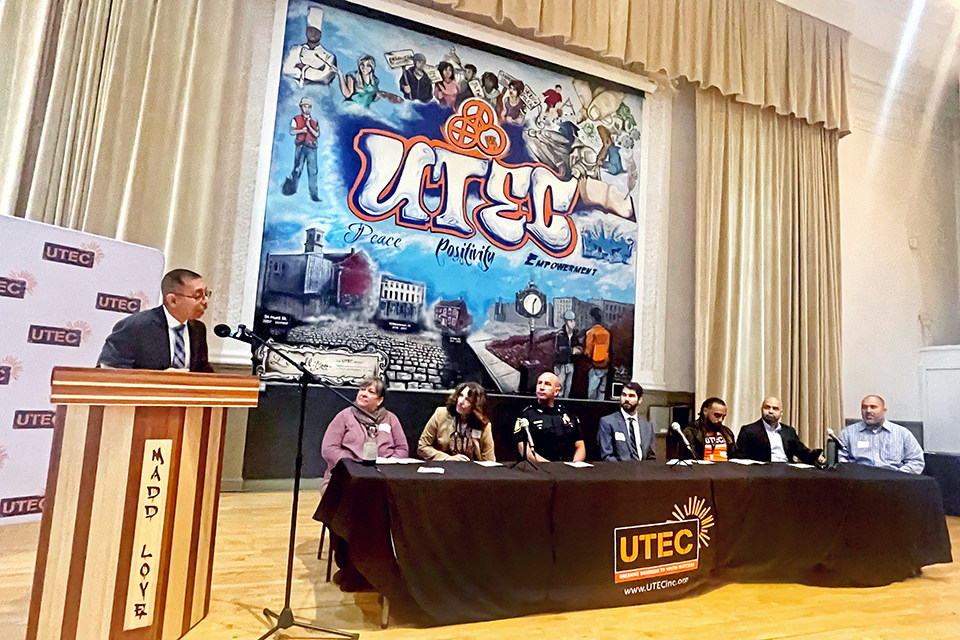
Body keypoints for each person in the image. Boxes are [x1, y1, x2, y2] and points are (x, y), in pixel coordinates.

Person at [98, 269, 214, 372]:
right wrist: (159, 378)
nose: (205, 301)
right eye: (198, 296)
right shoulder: (136, 326)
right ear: (172, 300)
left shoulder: (197, 329)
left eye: (206, 294)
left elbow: (202, 369)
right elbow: (110, 369)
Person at [320, 377, 408, 492]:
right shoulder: (344, 416)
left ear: (379, 400)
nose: (363, 394)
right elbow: (329, 449)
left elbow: (402, 448)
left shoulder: (391, 418)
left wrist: (388, 466)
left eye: (370, 391)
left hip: (383, 477)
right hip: (348, 476)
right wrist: (353, 467)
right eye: (362, 389)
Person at [837, 395, 925, 474]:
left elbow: (916, 461)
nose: (868, 411)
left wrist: (898, 476)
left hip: (893, 483)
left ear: (884, 410)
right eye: (864, 407)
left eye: (873, 407)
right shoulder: (847, 433)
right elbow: (841, 461)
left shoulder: (902, 434)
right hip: (859, 482)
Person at [514, 372, 585, 462]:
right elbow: (523, 449)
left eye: (547, 384)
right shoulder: (527, 415)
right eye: (539, 383)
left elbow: (580, 445)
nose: (542, 387)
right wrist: (550, 467)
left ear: (556, 391)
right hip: (539, 469)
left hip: (567, 469)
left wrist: (575, 465)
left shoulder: (568, 414)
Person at [418, 382, 495, 461]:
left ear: (475, 406)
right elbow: (423, 447)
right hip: (443, 467)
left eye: (467, 400)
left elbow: (490, 461)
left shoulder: (483, 425)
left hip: (471, 470)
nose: (461, 401)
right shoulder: (440, 414)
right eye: (460, 396)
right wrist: (447, 458)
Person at [736, 396, 822, 464]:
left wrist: (817, 456)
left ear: (781, 413)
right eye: (767, 407)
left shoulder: (789, 431)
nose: (770, 411)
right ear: (761, 409)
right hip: (762, 473)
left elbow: (802, 453)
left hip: (787, 471)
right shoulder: (748, 431)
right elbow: (741, 459)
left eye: (775, 408)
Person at [598, 382, 655, 461]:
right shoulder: (608, 422)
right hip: (619, 471)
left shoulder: (647, 425)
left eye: (631, 396)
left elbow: (651, 456)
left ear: (640, 400)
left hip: (643, 471)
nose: (626, 399)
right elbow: (606, 456)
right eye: (624, 395)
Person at [282, 97, 319, 201]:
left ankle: (314, 194)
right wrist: (301, 130)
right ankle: (292, 190)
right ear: (301, 107)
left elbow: (316, 134)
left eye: (308, 107)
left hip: (312, 147)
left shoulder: (314, 121)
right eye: (304, 106)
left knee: (313, 171)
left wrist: (309, 127)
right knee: (297, 168)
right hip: (300, 146)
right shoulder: (296, 119)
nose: (306, 109)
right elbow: (292, 131)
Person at [553, 310, 583, 398]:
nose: (573, 323)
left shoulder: (575, 335)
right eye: (571, 321)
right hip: (561, 365)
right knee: (560, 387)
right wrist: (571, 351)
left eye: (574, 321)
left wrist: (579, 350)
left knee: (568, 388)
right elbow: (557, 350)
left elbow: (578, 346)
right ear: (566, 322)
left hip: (571, 364)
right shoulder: (560, 334)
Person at [584, 307, 610, 400]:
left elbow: (588, 351)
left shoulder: (591, 333)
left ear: (592, 318)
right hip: (605, 366)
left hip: (595, 366)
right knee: (601, 392)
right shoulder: (606, 333)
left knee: (592, 392)